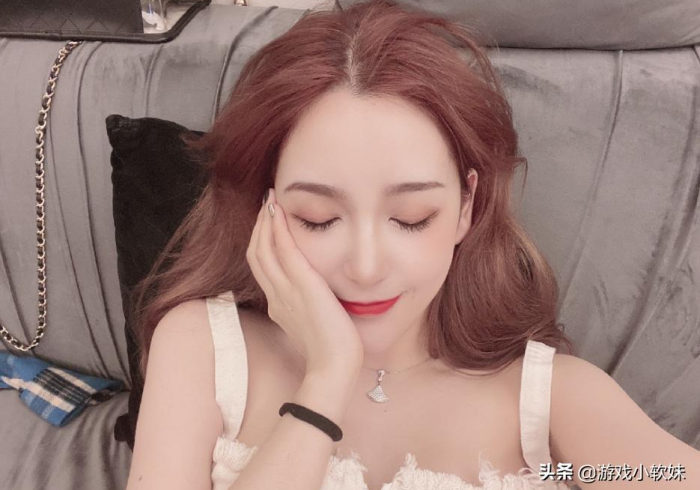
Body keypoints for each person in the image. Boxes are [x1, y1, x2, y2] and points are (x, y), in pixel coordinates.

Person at [124, 1, 700, 489]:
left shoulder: (550, 401)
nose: (366, 268)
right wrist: (325, 380)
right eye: (318, 219)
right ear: (266, 206)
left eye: (411, 219)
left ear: (466, 207)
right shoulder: (203, 348)